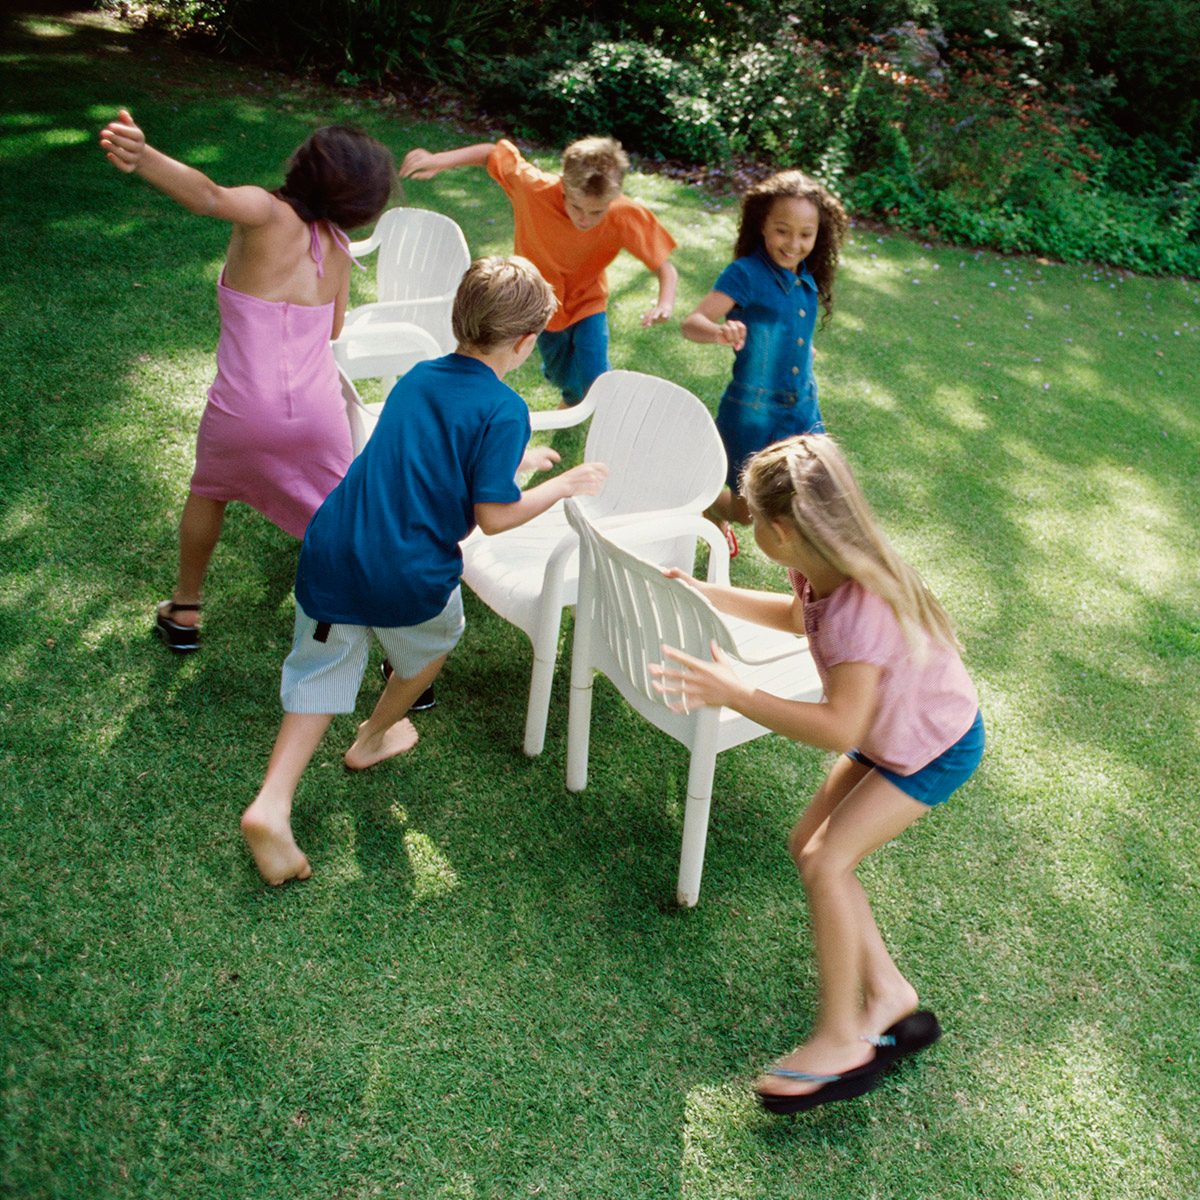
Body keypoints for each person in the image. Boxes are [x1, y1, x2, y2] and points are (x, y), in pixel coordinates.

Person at [240, 257, 609, 886]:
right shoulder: (504, 407)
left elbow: (437, 466)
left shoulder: (417, 377)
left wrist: (517, 467)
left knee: (318, 674)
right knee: (430, 649)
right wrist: (564, 484)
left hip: (334, 550)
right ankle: (374, 736)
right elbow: (493, 517)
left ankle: (272, 802)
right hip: (409, 574)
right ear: (525, 343)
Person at [651, 434, 984, 1114]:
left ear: (778, 530)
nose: (745, 524)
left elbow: (840, 727)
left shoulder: (861, 609)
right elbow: (802, 621)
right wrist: (711, 594)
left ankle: (841, 1037)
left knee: (829, 863)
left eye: (747, 518)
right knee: (808, 847)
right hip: (891, 731)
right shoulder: (820, 570)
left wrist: (737, 693)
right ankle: (889, 994)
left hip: (930, 746)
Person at [99, 110, 394, 652]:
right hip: (317, 414)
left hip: (241, 409)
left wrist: (144, 159)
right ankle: (393, 641)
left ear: (302, 166)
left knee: (209, 492)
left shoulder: (265, 211)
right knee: (339, 522)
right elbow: (333, 327)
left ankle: (185, 609)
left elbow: (208, 195)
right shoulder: (339, 250)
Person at [399, 136, 677, 408]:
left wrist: (664, 303)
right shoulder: (533, 187)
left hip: (588, 300)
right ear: (564, 186)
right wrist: (438, 161)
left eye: (597, 212)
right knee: (560, 375)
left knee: (596, 375)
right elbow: (491, 153)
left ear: (612, 198)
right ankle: (570, 396)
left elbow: (665, 268)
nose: (584, 219)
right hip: (541, 301)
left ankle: (601, 411)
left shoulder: (625, 214)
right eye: (577, 207)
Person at [681, 171, 847, 556]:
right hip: (753, 411)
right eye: (782, 231)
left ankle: (815, 564)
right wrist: (720, 332)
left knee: (815, 484)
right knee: (746, 510)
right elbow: (692, 324)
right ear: (763, 226)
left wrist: (802, 352)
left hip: (802, 404)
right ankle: (707, 503)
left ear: (819, 234)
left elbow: (790, 329)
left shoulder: (806, 280)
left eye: (806, 234)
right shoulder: (746, 274)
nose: (793, 244)